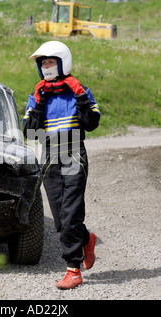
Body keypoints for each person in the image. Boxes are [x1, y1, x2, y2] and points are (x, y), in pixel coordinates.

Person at [22, 41, 100, 289]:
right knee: (60, 220)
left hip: (74, 152)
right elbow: (30, 133)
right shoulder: (36, 96)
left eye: (50, 62)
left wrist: (79, 96)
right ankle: (86, 239)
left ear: (62, 63)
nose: (45, 67)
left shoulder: (80, 91)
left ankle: (73, 270)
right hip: (49, 157)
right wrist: (39, 102)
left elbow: (91, 123)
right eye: (42, 63)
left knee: (71, 215)